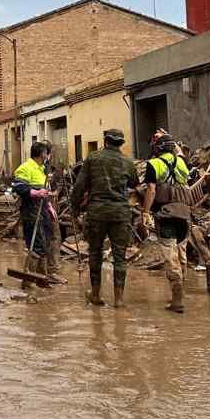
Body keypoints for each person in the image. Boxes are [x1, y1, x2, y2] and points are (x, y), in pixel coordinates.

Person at [71, 129, 138, 308]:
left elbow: (79, 186)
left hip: (97, 213)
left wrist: (75, 209)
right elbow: (134, 183)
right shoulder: (128, 162)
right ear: (121, 143)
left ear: (106, 141)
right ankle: (119, 300)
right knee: (120, 256)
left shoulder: (93, 158)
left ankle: (95, 294)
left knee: (95, 252)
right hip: (120, 214)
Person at [141, 134, 192, 313]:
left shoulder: (154, 164)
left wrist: (146, 212)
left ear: (157, 149)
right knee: (182, 251)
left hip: (166, 214)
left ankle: (177, 299)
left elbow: (151, 189)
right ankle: (180, 294)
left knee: (170, 254)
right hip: (185, 213)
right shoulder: (182, 162)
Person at [12, 142, 55, 288]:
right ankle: (28, 281)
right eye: (46, 153)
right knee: (36, 245)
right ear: (42, 154)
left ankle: (42, 278)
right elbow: (19, 187)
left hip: (43, 209)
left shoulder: (42, 169)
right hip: (31, 209)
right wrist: (36, 193)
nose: (48, 156)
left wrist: (49, 206)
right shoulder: (25, 168)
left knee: (45, 242)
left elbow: (46, 190)